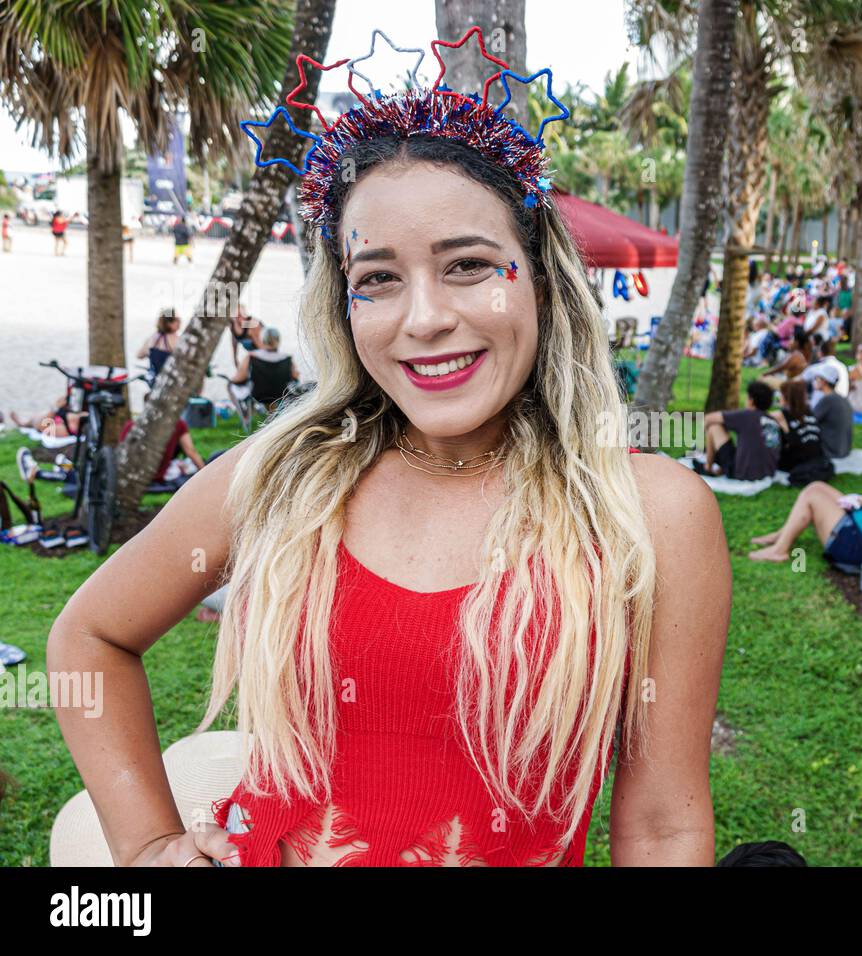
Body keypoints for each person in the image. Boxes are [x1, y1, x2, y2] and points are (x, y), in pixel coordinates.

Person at [46, 55, 727, 869]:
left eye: (468, 265)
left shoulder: (650, 512)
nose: (426, 318)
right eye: (378, 279)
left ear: (541, 280)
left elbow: (662, 826)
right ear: (345, 306)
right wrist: (149, 844)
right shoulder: (279, 478)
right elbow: (89, 635)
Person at [698, 380, 782, 480]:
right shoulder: (772, 421)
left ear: (751, 401)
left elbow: (708, 418)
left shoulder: (746, 415)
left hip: (743, 474)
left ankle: (707, 468)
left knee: (714, 426)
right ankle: (719, 467)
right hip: (768, 472)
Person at [773, 378, 832, 486]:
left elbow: (759, 418)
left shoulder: (780, 415)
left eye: (780, 394)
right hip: (816, 458)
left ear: (786, 397)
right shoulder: (809, 411)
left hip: (795, 461)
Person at [117, 416, 207, 485]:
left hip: (131, 473)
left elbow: (120, 453)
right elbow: (191, 451)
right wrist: (207, 474)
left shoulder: (131, 425)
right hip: (159, 474)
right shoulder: (177, 424)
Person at [227, 325, 301, 408]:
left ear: (262, 340)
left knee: (231, 385)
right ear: (279, 341)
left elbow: (240, 378)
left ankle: (244, 415)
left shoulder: (251, 356)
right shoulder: (287, 358)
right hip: (281, 394)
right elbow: (295, 377)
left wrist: (231, 381)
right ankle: (275, 411)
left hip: (259, 395)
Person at [811, 365, 854, 459]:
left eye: (816, 378)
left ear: (824, 381)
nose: (814, 381)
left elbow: (810, 421)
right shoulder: (840, 398)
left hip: (831, 451)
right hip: (844, 449)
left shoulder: (828, 400)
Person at [136, 309, 182, 381]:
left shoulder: (152, 338)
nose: (179, 322)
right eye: (177, 320)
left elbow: (139, 355)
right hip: (170, 382)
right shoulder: (175, 339)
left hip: (155, 381)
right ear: (168, 323)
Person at [803, 338, 850, 404]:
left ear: (820, 352)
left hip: (825, 407)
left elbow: (800, 380)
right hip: (842, 404)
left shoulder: (817, 368)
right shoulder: (843, 366)